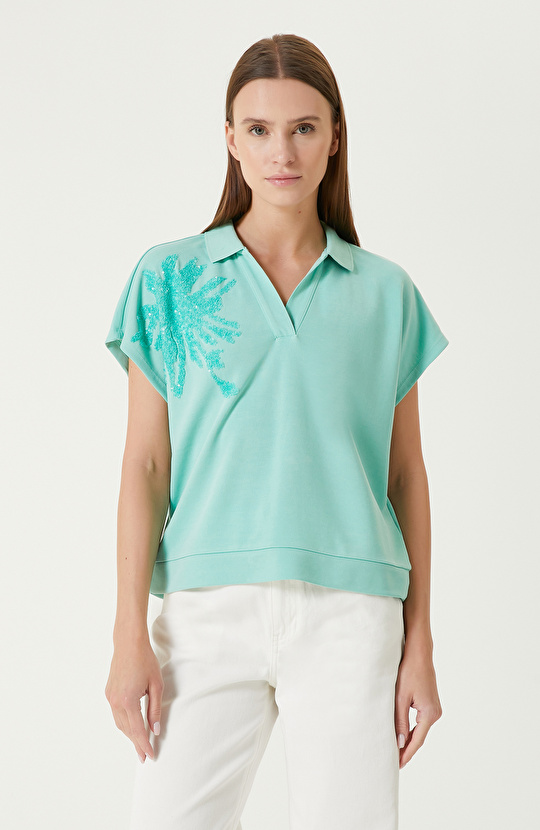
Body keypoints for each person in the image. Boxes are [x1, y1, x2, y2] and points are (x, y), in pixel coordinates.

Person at [104, 32, 449, 830]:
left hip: (352, 611)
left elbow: (405, 477)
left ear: (334, 138)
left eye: (303, 128)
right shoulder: (170, 280)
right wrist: (127, 635)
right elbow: (145, 466)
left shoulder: (386, 294)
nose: (281, 152)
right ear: (230, 140)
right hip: (204, 609)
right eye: (259, 129)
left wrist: (420, 643)